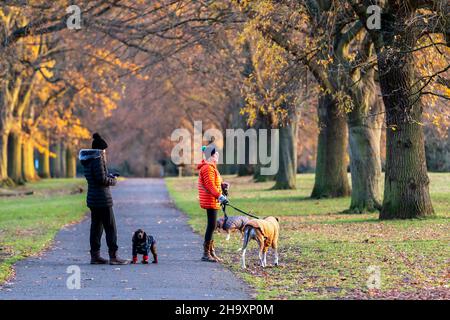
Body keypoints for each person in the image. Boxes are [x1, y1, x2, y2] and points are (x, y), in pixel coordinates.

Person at [79, 133, 128, 265]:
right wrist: (113, 180)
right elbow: (101, 179)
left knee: (96, 228)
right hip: (102, 198)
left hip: (93, 199)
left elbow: (97, 176)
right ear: (100, 150)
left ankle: (95, 256)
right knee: (110, 227)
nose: (105, 152)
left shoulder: (88, 160)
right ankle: (114, 256)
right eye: (104, 150)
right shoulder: (97, 160)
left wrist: (109, 175)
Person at [197, 144, 228, 262]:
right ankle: (206, 254)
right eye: (216, 153)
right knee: (211, 225)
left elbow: (214, 183)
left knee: (213, 225)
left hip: (213, 199)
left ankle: (211, 252)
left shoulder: (212, 167)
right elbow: (210, 185)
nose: (218, 155)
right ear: (211, 155)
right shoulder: (207, 168)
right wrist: (220, 196)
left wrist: (222, 185)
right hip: (210, 199)